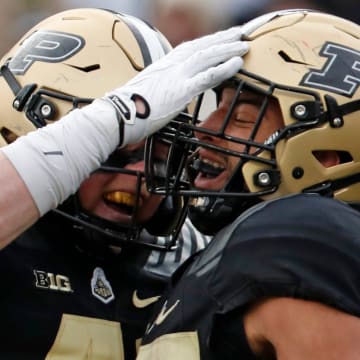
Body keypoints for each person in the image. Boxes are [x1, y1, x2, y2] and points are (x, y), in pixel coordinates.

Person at [0, 7, 247, 358]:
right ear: (22, 130)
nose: (139, 179)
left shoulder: (185, 261)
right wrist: (111, 120)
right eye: (114, 150)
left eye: (162, 156)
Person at [140, 9, 360, 359]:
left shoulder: (302, 235)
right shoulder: (234, 245)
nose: (204, 129)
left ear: (326, 155)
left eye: (240, 117)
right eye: (218, 107)